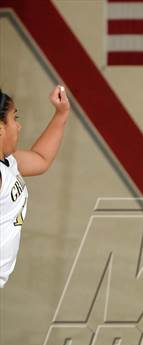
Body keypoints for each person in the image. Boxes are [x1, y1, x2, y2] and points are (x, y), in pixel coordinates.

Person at [0, 85, 70, 288]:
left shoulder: (9, 162)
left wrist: (61, 114)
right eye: (15, 118)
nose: (18, 126)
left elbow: (41, 159)